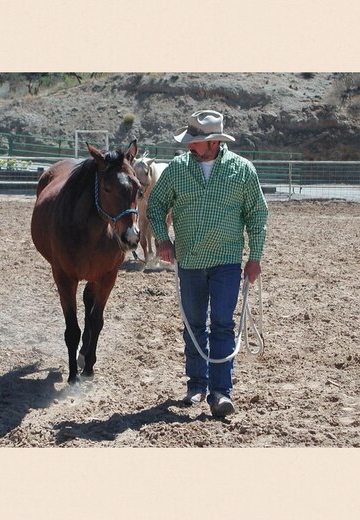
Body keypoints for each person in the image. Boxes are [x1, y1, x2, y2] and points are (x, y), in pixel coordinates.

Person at [147, 109, 268, 418]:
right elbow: (156, 204)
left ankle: (220, 392)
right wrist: (162, 239)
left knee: (223, 325)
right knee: (195, 325)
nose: (190, 146)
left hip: (227, 262)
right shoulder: (176, 169)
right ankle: (197, 385)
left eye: (196, 141)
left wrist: (255, 258)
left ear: (213, 143)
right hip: (188, 261)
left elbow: (257, 216)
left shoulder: (242, 171)